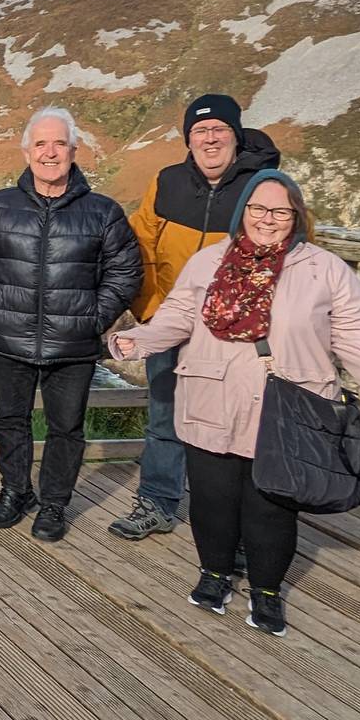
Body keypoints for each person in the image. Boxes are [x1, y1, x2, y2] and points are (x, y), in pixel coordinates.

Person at [111, 171, 360, 637]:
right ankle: (213, 575)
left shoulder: (323, 269)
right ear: (242, 212)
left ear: (296, 216)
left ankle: (266, 592)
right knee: (212, 498)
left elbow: (356, 331)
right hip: (211, 394)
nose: (266, 219)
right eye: (257, 208)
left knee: (271, 505)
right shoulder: (208, 263)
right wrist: (140, 339)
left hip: (285, 408)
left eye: (278, 211)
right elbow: (178, 317)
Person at [0, 108, 140, 544]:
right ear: (26, 151)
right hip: (10, 337)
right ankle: (15, 491)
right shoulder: (0, 205)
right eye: (40, 144)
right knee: (10, 420)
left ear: (74, 152)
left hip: (73, 346)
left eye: (59, 144)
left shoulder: (103, 212)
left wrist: (93, 319)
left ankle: (55, 503)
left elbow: (126, 271)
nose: (50, 152)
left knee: (66, 427)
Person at [108, 94, 282, 542]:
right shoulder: (167, 182)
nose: (209, 139)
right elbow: (138, 245)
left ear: (235, 135)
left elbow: (293, 249)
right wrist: (148, 310)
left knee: (239, 430)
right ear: (188, 139)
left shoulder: (263, 188)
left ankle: (238, 523)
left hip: (236, 339)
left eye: (218, 130)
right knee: (164, 418)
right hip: (170, 325)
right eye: (199, 132)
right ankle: (157, 504)